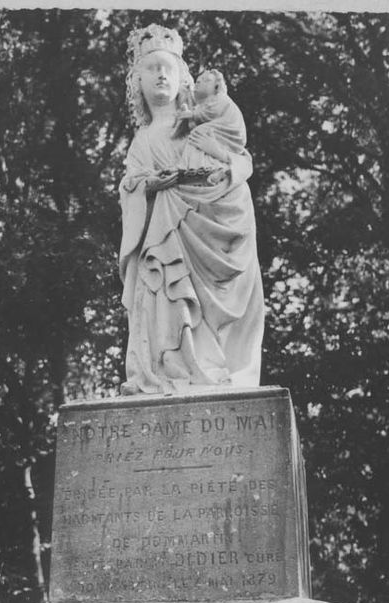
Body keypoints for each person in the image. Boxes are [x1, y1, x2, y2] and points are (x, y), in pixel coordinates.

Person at [119, 24, 264, 395]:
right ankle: (170, 369)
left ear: (183, 78)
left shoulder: (200, 126)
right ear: (138, 82)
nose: (161, 74)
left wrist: (220, 180)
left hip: (207, 233)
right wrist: (149, 186)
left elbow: (237, 164)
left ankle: (211, 367)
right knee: (167, 296)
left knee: (199, 312)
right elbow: (132, 187)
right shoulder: (141, 142)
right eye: (151, 68)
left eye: (168, 67)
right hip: (162, 242)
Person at [174, 68, 247, 185]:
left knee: (200, 133)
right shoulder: (204, 104)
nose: (199, 82)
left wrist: (192, 114)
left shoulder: (220, 98)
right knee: (198, 133)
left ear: (216, 87)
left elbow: (211, 112)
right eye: (198, 80)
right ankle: (195, 166)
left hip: (230, 131)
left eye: (206, 80)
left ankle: (196, 166)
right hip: (219, 128)